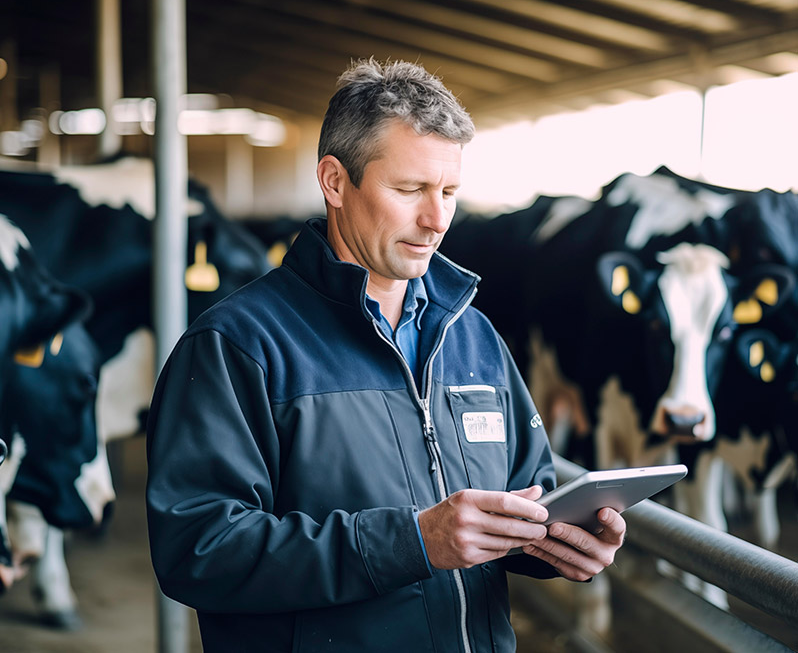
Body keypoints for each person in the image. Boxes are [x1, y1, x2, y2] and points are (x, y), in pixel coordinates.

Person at [146, 58, 626, 653]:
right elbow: (197, 549)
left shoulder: (473, 337)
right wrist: (414, 542)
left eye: (450, 192)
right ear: (334, 182)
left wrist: (560, 545)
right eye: (409, 190)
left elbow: (530, 493)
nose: (437, 220)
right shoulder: (237, 346)